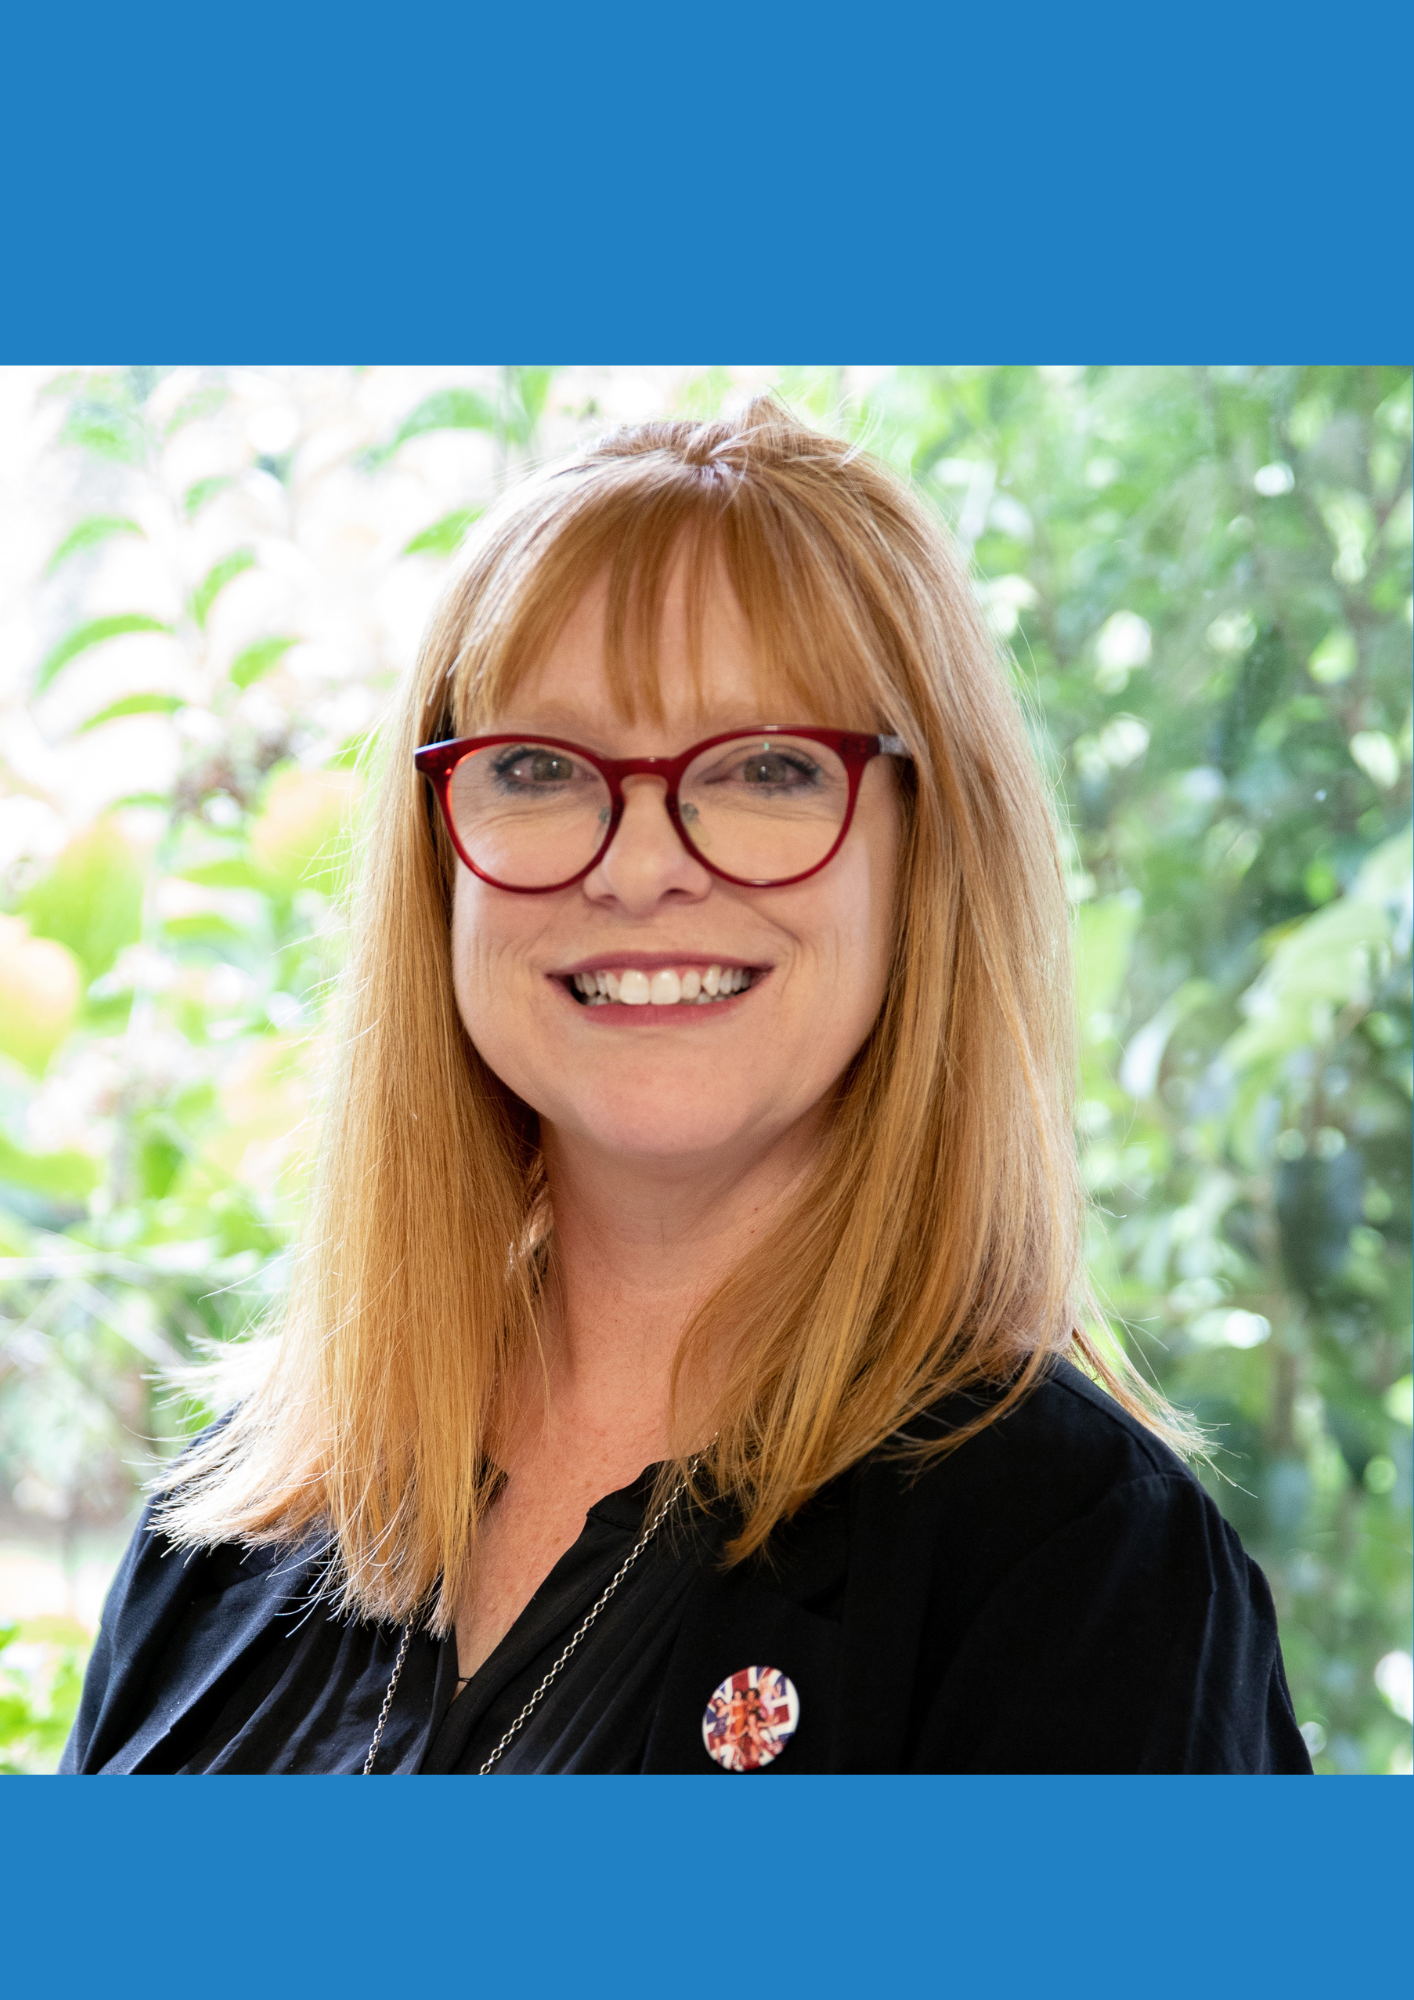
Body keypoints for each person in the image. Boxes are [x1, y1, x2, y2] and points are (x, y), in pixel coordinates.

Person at [61, 398, 1310, 1775]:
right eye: (537, 767)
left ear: (927, 855)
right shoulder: (228, 1527)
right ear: (437, 864)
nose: (641, 863)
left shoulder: (1084, 1568)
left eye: (766, 767)